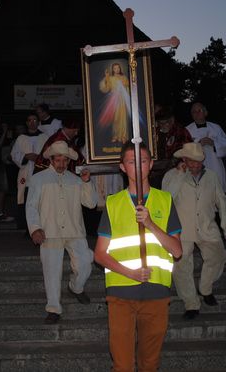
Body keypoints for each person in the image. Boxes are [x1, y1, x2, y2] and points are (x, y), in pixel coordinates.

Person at [94, 141, 182, 372]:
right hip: (121, 293)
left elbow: (177, 250)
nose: (138, 167)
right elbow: (100, 254)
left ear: (151, 164)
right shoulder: (113, 203)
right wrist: (130, 272)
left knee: (150, 364)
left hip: (157, 292)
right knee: (122, 365)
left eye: (142, 161)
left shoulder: (165, 200)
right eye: (131, 162)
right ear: (122, 167)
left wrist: (151, 224)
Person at [26, 141, 98, 324]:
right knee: (51, 271)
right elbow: (31, 206)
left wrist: (87, 182)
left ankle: (76, 287)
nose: (61, 164)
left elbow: (91, 203)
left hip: (75, 231)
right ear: (51, 159)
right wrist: (35, 228)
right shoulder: (38, 179)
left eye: (65, 160)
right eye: (58, 160)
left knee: (84, 265)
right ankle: (53, 309)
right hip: (49, 231)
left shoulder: (75, 180)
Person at [162, 142, 226, 320]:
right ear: (184, 159)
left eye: (198, 161)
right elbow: (165, 198)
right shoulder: (172, 175)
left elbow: (222, 202)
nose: (195, 165)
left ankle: (205, 288)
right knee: (181, 266)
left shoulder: (211, 176)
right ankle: (191, 303)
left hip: (206, 226)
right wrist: (179, 175)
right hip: (181, 229)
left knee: (218, 256)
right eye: (191, 161)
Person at [10, 113, 47, 230]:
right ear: (27, 123)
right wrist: (26, 157)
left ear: (38, 122)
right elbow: (14, 154)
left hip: (40, 172)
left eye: (35, 120)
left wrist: (39, 158)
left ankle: (42, 227)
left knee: (41, 201)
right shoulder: (21, 138)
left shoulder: (45, 137)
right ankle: (28, 228)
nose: (32, 122)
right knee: (27, 200)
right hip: (26, 173)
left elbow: (50, 154)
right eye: (30, 120)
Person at [185, 102, 226, 192]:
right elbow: (183, 149)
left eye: (199, 110)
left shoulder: (216, 128)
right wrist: (198, 144)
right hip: (195, 167)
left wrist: (214, 143)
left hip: (215, 165)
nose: (197, 113)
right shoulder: (187, 130)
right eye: (194, 112)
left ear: (205, 112)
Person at [98, 62, 131, 144]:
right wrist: (106, 77)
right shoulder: (111, 78)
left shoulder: (124, 78)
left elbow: (128, 89)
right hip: (113, 100)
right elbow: (106, 88)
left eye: (118, 68)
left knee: (123, 119)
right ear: (113, 69)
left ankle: (123, 136)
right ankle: (116, 136)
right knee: (115, 119)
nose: (117, 69)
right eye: (115, 68)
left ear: (120, 69)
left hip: (122, 100)